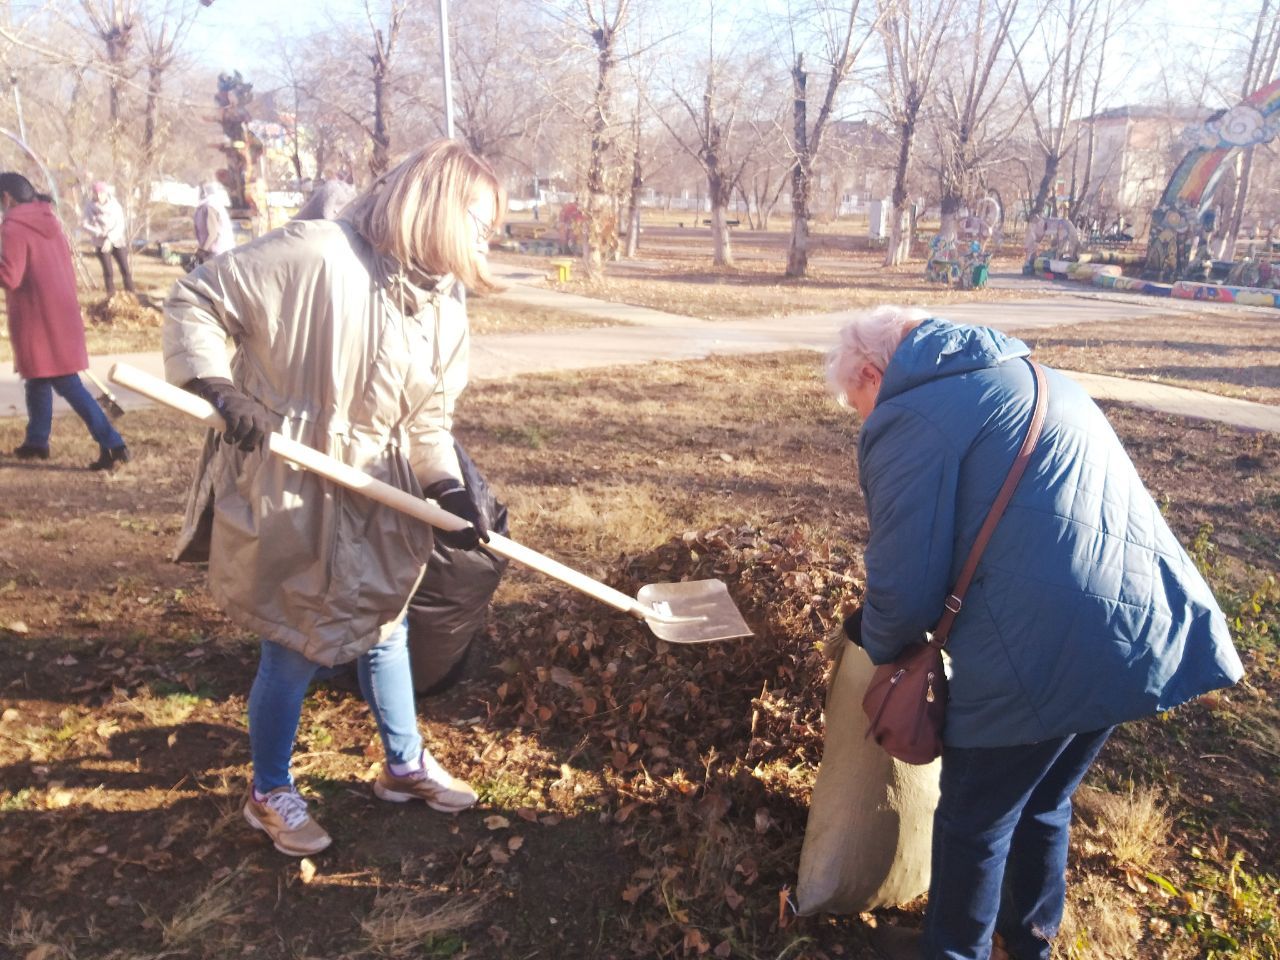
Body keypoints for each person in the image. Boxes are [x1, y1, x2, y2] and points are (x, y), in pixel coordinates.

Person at [825, 306, 1243, 960]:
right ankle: (1026, 944)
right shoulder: (1033, 377)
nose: (864, 420)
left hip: (1040, 650)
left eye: (859, 404)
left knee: (974, 819)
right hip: (1134, 631)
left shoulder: (909, 417)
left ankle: (954, 952)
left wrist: (871, 639)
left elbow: (903, 587)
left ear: (876, 373)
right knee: (1044, 798)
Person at [163, 140, 505, 857]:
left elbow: (428, 423)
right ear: (436, 206)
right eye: (478, 220)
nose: (485, 238)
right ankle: (269, 790)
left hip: (380, 492)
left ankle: (403, 765)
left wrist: (445, 488)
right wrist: (217, 386)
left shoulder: (444, 305)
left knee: (385, 624)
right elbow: (199, 297)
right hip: (294, 483)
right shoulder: (319, 253)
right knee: (294, 641)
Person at [0, 172, 130, 470]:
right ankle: (36, 442)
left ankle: (113, 444)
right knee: (37, 379)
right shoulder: (49, 220)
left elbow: (10, 275)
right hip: (60, 312)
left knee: (66, 383)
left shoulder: (14, 227)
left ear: (7, 198)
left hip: (38, 319)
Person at [81, 180, 136, 296]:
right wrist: (99, 233)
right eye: (96, 193)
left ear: (106, 193)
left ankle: (131, 295)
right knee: (108, 272)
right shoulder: (89, 207)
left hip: (117, 241)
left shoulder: (115, 206)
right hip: (100, 242)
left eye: (101, 193)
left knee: (125, 269)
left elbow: (120, 224)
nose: (99, 196)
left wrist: (109, 238)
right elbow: (84, 225)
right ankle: (110, 297)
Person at [192, 181, 235, 264]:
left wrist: (202, 251)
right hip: (217, 253)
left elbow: (212, 234)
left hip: (217, 254)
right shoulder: (212, 206)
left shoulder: (209, 207)